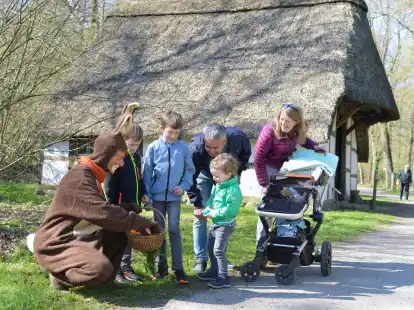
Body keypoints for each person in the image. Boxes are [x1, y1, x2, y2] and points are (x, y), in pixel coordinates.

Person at [34, 127, 160, 291]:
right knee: (100, 268)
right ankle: (60, 276)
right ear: (106, 155)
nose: (122, 163)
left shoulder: (92, 173)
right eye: (120, 158)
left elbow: (98, 210)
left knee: (118, 235)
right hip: (56, 243)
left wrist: (125, 208)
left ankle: (105, 282)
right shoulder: (80, 179)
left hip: (76, 236)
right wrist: (142, 222)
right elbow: (104, 214)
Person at [254, 104, 325, 246]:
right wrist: (264, 183)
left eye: (288, 121)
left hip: (284, 170)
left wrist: (315, 147)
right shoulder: (269, 131)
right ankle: (261, 247)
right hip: (267, 167)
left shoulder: (296, 132)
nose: (283, 123)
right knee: (268, 208)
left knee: (288, 203)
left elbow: (304, 140)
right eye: (281, 119)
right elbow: (258, 158)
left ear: (296, 122)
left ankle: (284, 240)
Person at [188, 123, 251, 272]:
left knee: (223, 217)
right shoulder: (195, 149)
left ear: (224, 141)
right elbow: (190, 178)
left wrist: (236, 174)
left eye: (215, 148)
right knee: (201, 216)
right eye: (208, 147)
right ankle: (201, 258)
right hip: (203, 174)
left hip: (227, 178)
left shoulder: (238, 138)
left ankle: (219, 257)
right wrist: (198, 204)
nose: (211, 151)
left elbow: (245, 154)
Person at [143, 111, 195, 284]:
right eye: (170, 132)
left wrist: (184, 187)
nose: (173, 136)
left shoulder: (183, 148)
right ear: (161, 129)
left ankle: (179, 269)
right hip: (157, 198)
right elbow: (147, 174)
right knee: (160, 231)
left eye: (176, 132)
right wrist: (148, 197)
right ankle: (161, 267)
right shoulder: (153, 148)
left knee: (174, 228)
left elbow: (189, 171)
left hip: (174, 198)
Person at [105, 123, 150, 284]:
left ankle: (126, 268)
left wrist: (143, 194)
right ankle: (115, 270)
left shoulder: (137, 158)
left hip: (134, 206)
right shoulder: (118, 158)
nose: (134, 147)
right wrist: (111, 203)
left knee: (129, 238)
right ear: (123, 141)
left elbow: (139, 179)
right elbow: (110, 183)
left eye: (137, 144)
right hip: (119, 206)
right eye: (131, 144)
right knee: (117, 238)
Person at [196, 153, 242, 289]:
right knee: (210, 247)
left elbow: (230, 210)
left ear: (228, 174)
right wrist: (207, 209)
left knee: (218, 250)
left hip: (226, 224)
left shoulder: (233, 190)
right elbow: (211, 199)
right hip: (216, 223)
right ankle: (213, 270)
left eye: (217, 176)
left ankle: (223, 277)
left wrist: (213, 213)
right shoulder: (218, 186)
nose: (214, 178)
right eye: (213, 175)